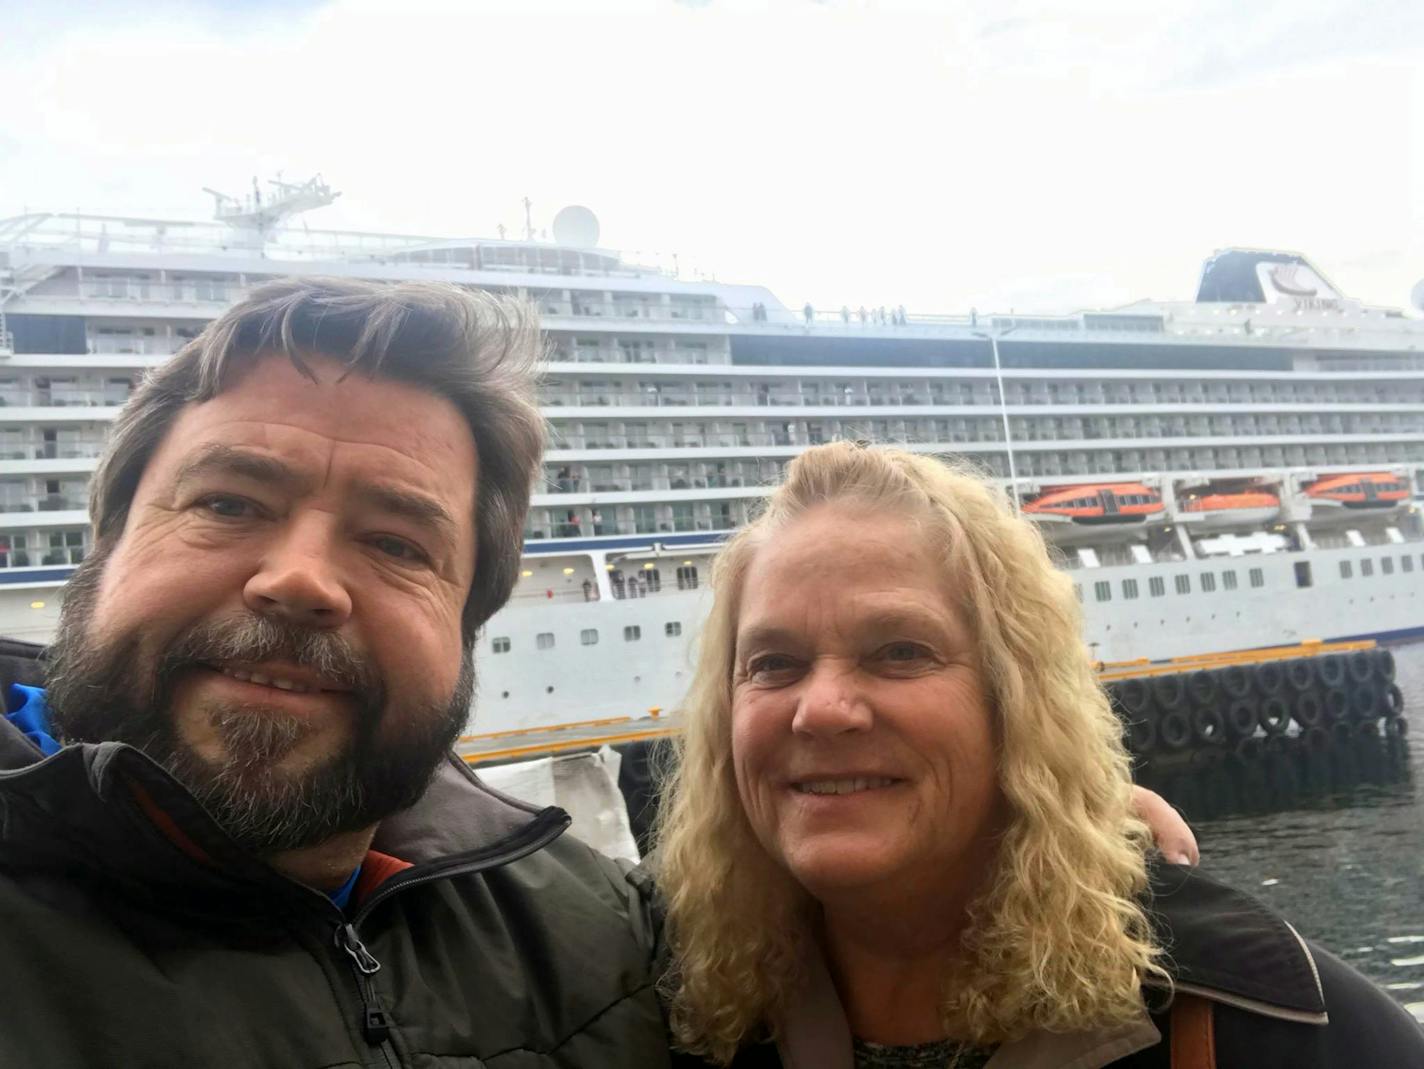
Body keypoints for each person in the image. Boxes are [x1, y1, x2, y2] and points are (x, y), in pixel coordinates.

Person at [0, 278, 673, 1067]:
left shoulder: (610, 943)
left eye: (396, 544)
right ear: (104, 547)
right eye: (227, 504)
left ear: (466, 627)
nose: (301, 581)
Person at [655, 441, 1423, 1068]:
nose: (819, 709)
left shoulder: (1273, 1023)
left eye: (899, 650)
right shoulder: (669, 1010)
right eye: (772, 664)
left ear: (1015, 701)